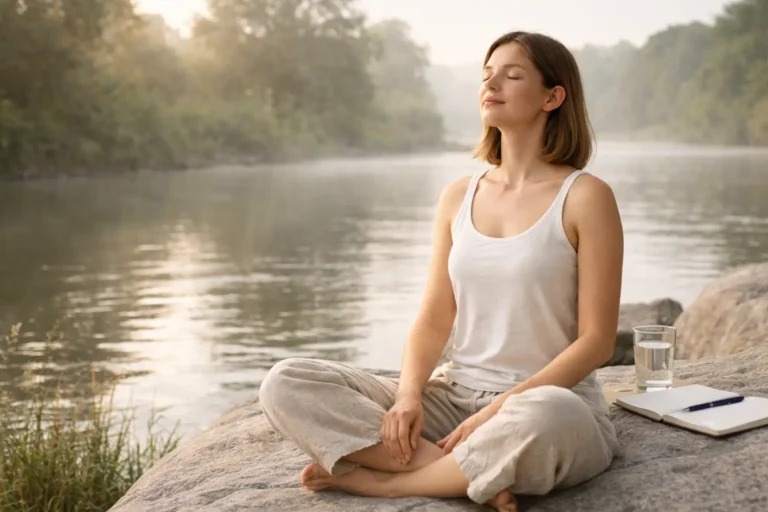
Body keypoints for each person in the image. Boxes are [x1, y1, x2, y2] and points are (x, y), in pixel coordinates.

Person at [259, 30, 623, 512]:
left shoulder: (586, 196)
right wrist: (408, 396)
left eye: (512, 75)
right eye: (486, 75)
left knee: (550, 415)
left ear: (553, 97)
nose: (491, 84)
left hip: (546, 403)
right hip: (452, 398)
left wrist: (500, 409)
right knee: (287, 381)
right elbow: (435, 316)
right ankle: (467, 473)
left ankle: (388, 482)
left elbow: (597, 341)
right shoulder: (458, 196)